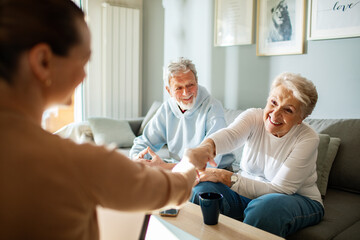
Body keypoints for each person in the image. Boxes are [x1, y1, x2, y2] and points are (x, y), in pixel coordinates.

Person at [0, 1, 213, 239]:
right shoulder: (77, 162)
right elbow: (175, 189)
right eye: (83, 60)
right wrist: (189, 161)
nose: (84, 75)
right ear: (43, 61)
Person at [189, 72, 324, 237]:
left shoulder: (308, 138)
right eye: (273, 102)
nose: (275, 114)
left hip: (294, 198)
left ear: (301, 117)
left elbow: (280, 189)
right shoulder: (254, 116)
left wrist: (223, 175)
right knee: (201, 189)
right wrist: (205, 148)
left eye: (288, 110)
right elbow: (230, 135)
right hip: (248, 194)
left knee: (264, 208)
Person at [129, 57, 234, 170]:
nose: (186, 93)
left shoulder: (213, 108)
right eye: (179, 88)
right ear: (169, 91)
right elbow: (145, 142)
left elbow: (209, 163)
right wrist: (137, 158)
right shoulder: (167, 109)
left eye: (190, 85)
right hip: (178, 168)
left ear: (197, 82)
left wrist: (164, 167)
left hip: (213, 172)